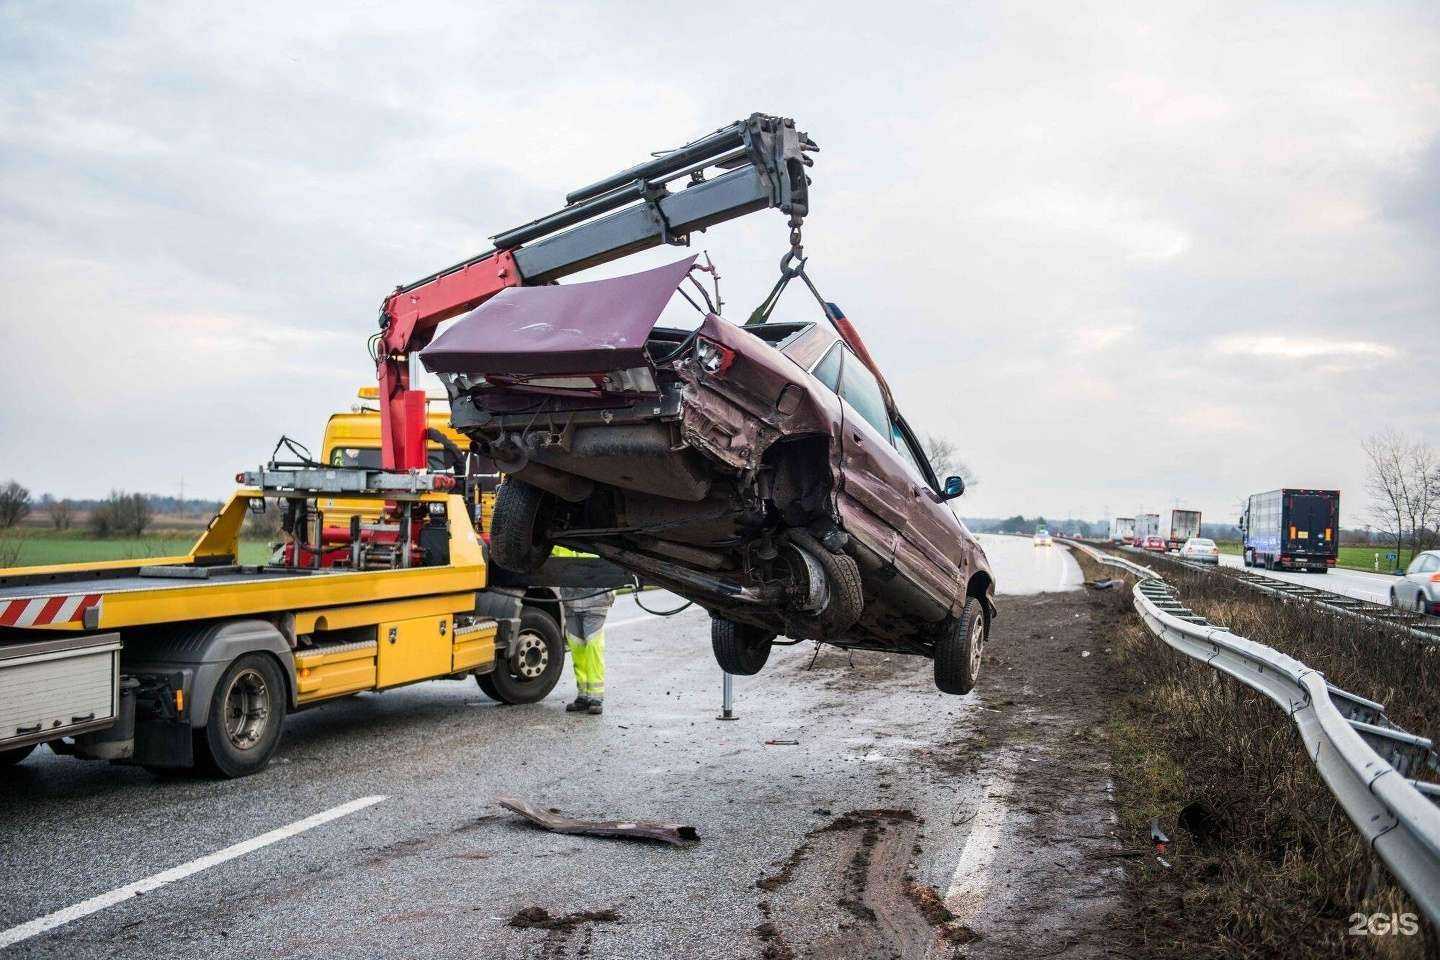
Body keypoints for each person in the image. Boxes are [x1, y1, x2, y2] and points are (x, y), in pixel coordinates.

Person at [559, 586, 614, 715]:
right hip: (571, 600)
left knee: (593, 647)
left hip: (596, 601)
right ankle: (583, 695)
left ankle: (595, 698)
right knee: (577, 648)